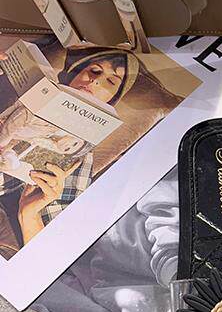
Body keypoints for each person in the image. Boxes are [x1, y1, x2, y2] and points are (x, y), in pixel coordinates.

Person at [0, 41, 139, 251]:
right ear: (76, 71)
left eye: (111, 81)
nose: (95, 80)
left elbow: (45, 254)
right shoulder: (24, 84)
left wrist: (29, 214)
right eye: (94, 70)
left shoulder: (78, 155)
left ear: (112, 99)